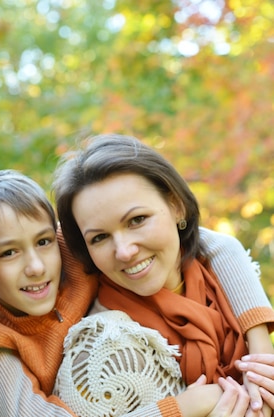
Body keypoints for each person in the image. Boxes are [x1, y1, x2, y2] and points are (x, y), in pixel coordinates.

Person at [0, 168, 272, 417]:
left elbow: (215, 243)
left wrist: (260, 350)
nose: (35, 266)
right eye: (7, 253)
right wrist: (183, 408)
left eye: (43, 241)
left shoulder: (70, 250)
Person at [52, 134, 274, 415]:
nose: (124, 251)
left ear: (176, 206)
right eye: (99, 238)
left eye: (137, 220)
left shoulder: (224, 281)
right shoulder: (102, 352)